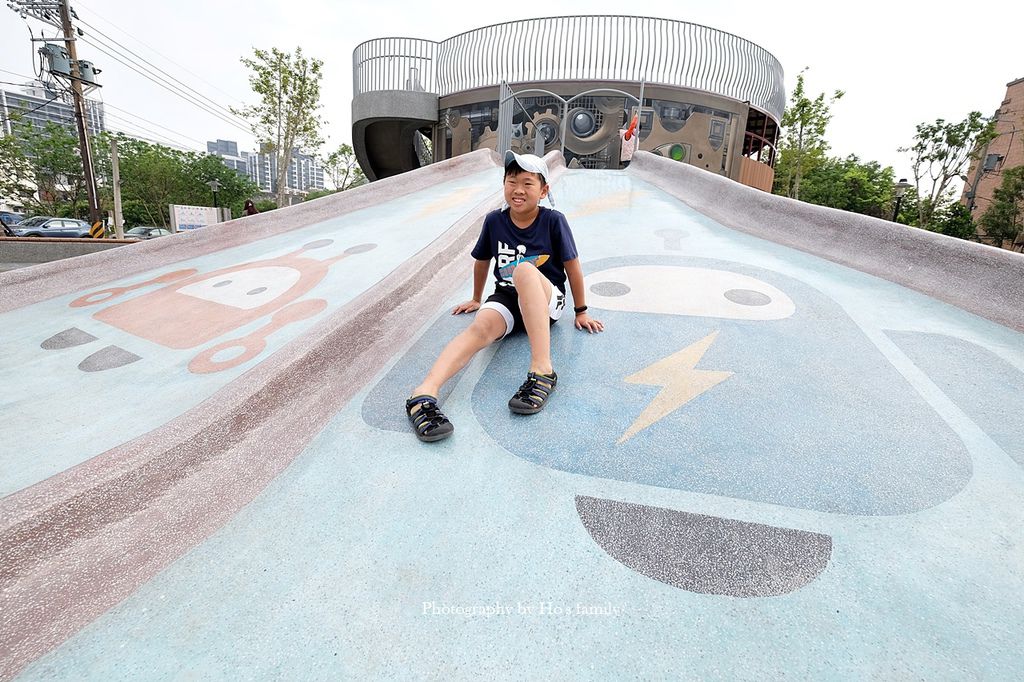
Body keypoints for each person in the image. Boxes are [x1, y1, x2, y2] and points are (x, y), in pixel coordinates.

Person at [405, 151, 604, 442]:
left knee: (523, 270)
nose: (518, 190)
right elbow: (482, 260)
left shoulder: (553, 221)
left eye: (527, 183)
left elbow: (572, 266)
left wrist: (582, 310)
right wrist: (476, 298)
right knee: (481, 326)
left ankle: (542, 370)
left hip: (547, 298)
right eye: (512, 181)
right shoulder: (494, 222)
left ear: (544, 190)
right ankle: (423, 393)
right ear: (504, 184)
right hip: (508, 298)